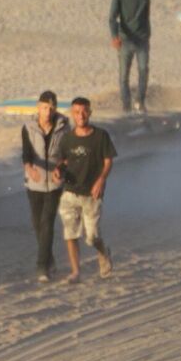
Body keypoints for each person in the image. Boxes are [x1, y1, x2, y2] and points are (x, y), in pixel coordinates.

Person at [55, 97, 115, 283]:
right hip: (70, 192)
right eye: (77, 112)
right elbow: (63, 160)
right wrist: (58, 171)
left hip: (92, 194)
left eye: (84, 112)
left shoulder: (100, 136)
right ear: (72, 114)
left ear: (89, 113)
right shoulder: (67, 138)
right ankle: (76, 272)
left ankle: (103, 252)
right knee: (70, 233)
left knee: (92, 237)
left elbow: (108, 160)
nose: (80, 116)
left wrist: (101, 179)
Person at [21, 91, 70, 281]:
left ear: (55, 109)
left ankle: (42, 267)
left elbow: (67, 154)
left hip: (55, 184)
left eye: (51, 108)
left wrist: (61, 168)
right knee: (37, 223)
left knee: (47, 221)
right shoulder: (28, 127)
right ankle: (50, 259)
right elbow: (26, 153)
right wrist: (29, 167)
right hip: (34, 182)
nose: (47, 112)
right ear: (38, 107)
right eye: (44, 108)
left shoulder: (64, 128)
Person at [109, 0, 151, 114]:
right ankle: (126, 105)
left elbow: (146, 16)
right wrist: (115, 36)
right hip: (125, 40)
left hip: (142, 40)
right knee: (124, 75)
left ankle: (140, 101)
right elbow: (112, 18)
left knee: (143, 70)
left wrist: (147, 35)